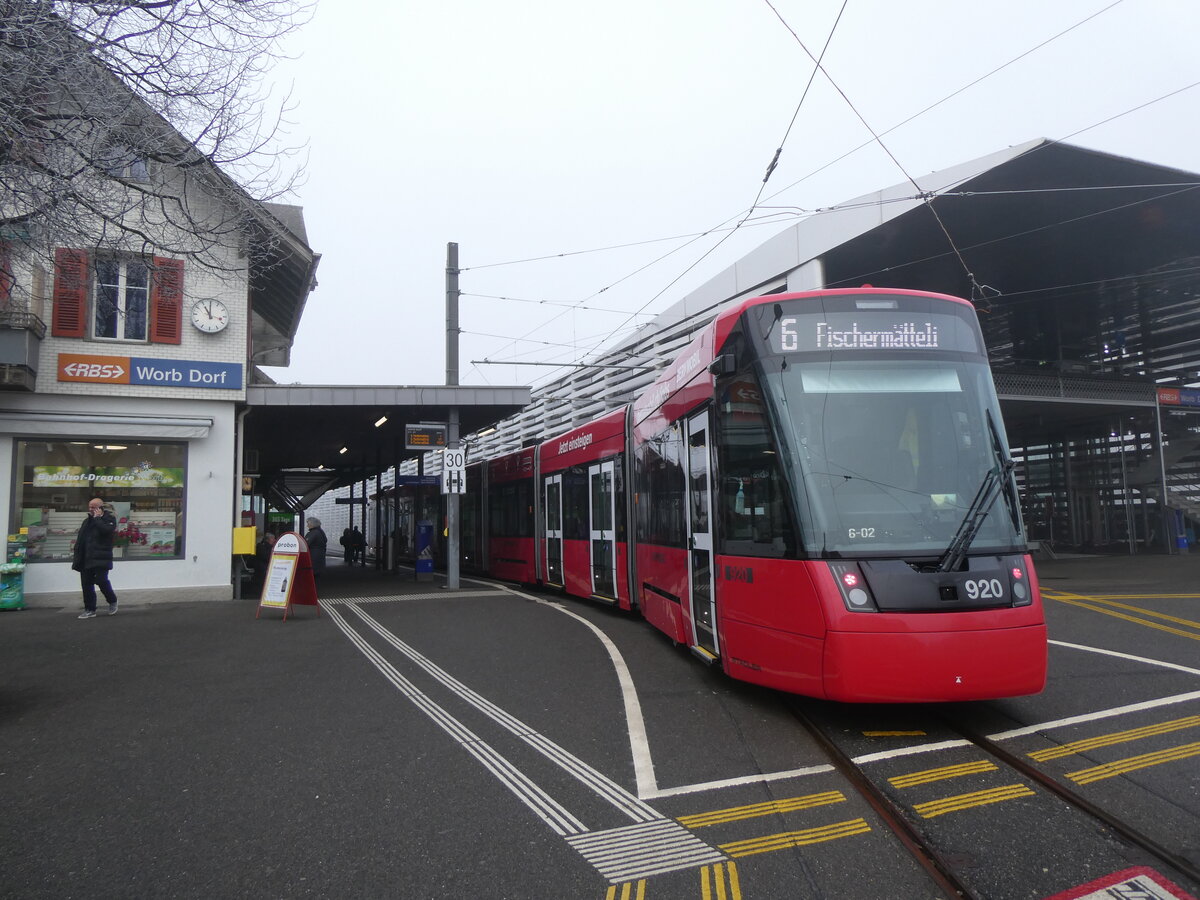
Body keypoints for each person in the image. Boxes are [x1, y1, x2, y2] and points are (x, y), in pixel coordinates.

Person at [72, 497, 118, 618]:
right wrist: (77, 553)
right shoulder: (86, 521)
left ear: (100, 507)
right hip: (86, 557)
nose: (91, 509)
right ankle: (90, 609)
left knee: (101, 580)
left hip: (101, 556)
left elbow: (106, 531)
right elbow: (81, 539)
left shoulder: (109, 519)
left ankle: (112, 600)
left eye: (94, 507)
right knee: (86, 584)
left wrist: (97, 519)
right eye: (90, 507)